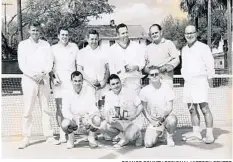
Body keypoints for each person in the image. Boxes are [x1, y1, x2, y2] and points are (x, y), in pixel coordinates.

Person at [17, 21, 59, 149]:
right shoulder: (22, 45)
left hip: (44, 79)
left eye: (37, 30)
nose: (35, 33)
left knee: (46, 108)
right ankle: (26, 137)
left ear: (40, 31)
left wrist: (42, 74)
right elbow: (22, 64)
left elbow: (49, 62)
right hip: (29, 80)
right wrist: (34, 76)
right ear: (29, 31)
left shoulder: (45, 45)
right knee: (28, 109)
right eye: (33, 30)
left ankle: (49, 136)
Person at [181, 25, 215, 144]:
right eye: (187, 33)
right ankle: (196, 133)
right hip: (188, 83)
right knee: (192, 109)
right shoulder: (184, 49)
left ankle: (210, 135)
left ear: (196, 33)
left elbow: (210, 65)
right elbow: (184, 67)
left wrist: (209, 79)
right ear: (184, 35)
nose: (189, 35)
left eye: (192, 33)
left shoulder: (203, 47)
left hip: (200, 81)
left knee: (204, 108)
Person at [51, 27, 79, 143]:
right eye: (62, 35)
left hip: (71, 83)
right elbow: (50, 67)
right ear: (58, 36)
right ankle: (62, 133)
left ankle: (71, 132)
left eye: (66, 35)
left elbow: (78, 65)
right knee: (59, 107)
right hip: (58, 83)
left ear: (69, 36)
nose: (64, 37)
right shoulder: (52, 49)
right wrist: (53, 78)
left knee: (72, 107)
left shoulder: (74, 47)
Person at [99, 74, 144, 148]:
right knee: (103, 126)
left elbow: (140, 106)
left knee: (130, 136)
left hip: (132, 121)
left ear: (120, 82)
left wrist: (134, 116)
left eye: (117, 83)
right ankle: (123, 137)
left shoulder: (129, 92)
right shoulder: (108, 95)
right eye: (113, 84)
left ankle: (137, 134)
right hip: (119, 122)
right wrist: (109, 119)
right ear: (110, 86)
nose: (116, 86)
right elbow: (106, 111)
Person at [139, 66, 178, 147]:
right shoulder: (144, 90)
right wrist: (151, 121)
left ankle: (169, 137)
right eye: (152, 74)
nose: (154, 76)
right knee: (148, 144)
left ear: (160, 75)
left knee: (172, 120)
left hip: (165, 118)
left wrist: (163, 116)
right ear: (149, 76)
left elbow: (170, 107)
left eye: (156, 74)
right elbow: (144, 109)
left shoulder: (167, 88)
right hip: (154, 121)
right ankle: (160, 134)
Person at [61, 71, 100, 149]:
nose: (77, 83)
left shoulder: (89, 90)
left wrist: (89, 116)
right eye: (75, 81)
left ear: (83, 81)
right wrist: (74, 117)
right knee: (65, 123)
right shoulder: (66, 92)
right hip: (74, 119)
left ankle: (91, 137)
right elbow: (65, 110)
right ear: (71, 81)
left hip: (86, 118)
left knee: (97, 119)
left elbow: (93, 107)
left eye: (79, 81)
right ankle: (71, 138)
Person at [108, 23, 145, 94]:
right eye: (122, 33)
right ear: (117, 35)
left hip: (134, 82)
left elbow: (142, 62)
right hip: (120, 83)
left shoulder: (136, 46)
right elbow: (112, 69)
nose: (125, 35)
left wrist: (136, 67)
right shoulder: (112, 50)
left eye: (126, 32)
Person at [76, 29, 110, 101]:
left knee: (103, 109)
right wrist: (90, 81)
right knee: (89, 110)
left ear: (98, 39)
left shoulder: (104, 52)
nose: (94, 41)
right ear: (87, 39)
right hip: (88, 86)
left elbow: (107, 69)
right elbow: (79, 70)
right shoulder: (81, 52)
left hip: (102, 86)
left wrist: (104, 82)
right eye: (92, 39)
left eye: (95, 39)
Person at [144, 24, 180, 88]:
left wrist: (166, 67)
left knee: (167, 97)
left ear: (161, 32)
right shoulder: (148, 48)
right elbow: (145, 65)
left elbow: (176, 59)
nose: (154, 35)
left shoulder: (169, 43)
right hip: (153, 80)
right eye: (152, 34)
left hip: (166, 79)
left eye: (156, 32)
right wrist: (149, 70)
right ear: (150, 35)